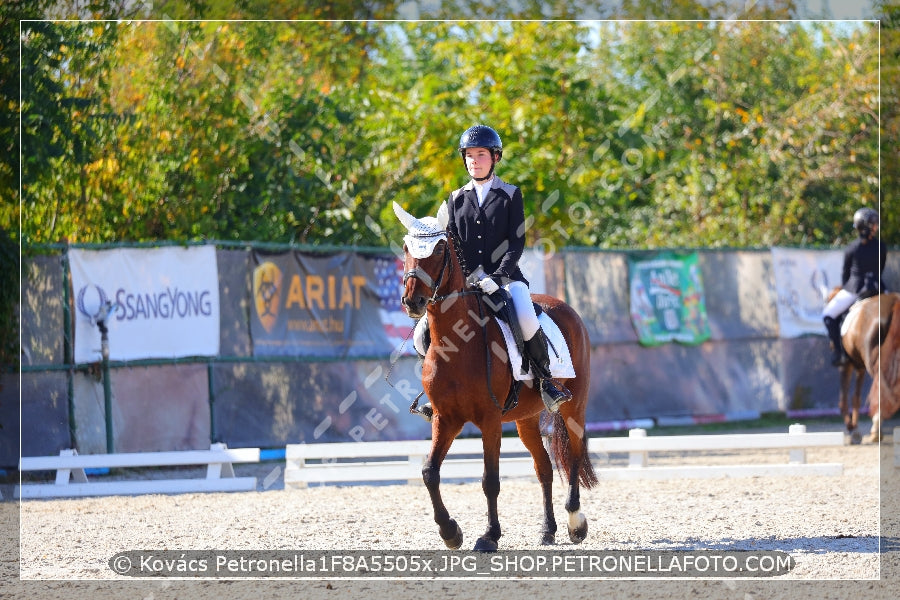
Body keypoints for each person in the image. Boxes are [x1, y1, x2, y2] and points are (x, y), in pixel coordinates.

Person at [444, 124, 570, 413]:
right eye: (469, 155)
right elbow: (454, 246)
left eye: (481, 154)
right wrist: (470, 278)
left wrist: (497, 277)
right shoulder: (456, 198)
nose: (474, 160)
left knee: (526, 316)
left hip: (507, 277)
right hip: (467, 283)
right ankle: (434, 390)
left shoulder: (510, 194)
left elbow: (516, 242)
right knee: (427, 327)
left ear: (495, 158)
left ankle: (545, 382)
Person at [822, 207, 887, 366]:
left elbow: (845, 274)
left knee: (828, 315)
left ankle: (839, 353)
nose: (876, 227)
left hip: (856, 288)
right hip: (879, 287)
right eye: (874, 224)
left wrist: (846, 287)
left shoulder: (852, 248)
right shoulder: (881, 246)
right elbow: (881, 268)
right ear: (867, 227)